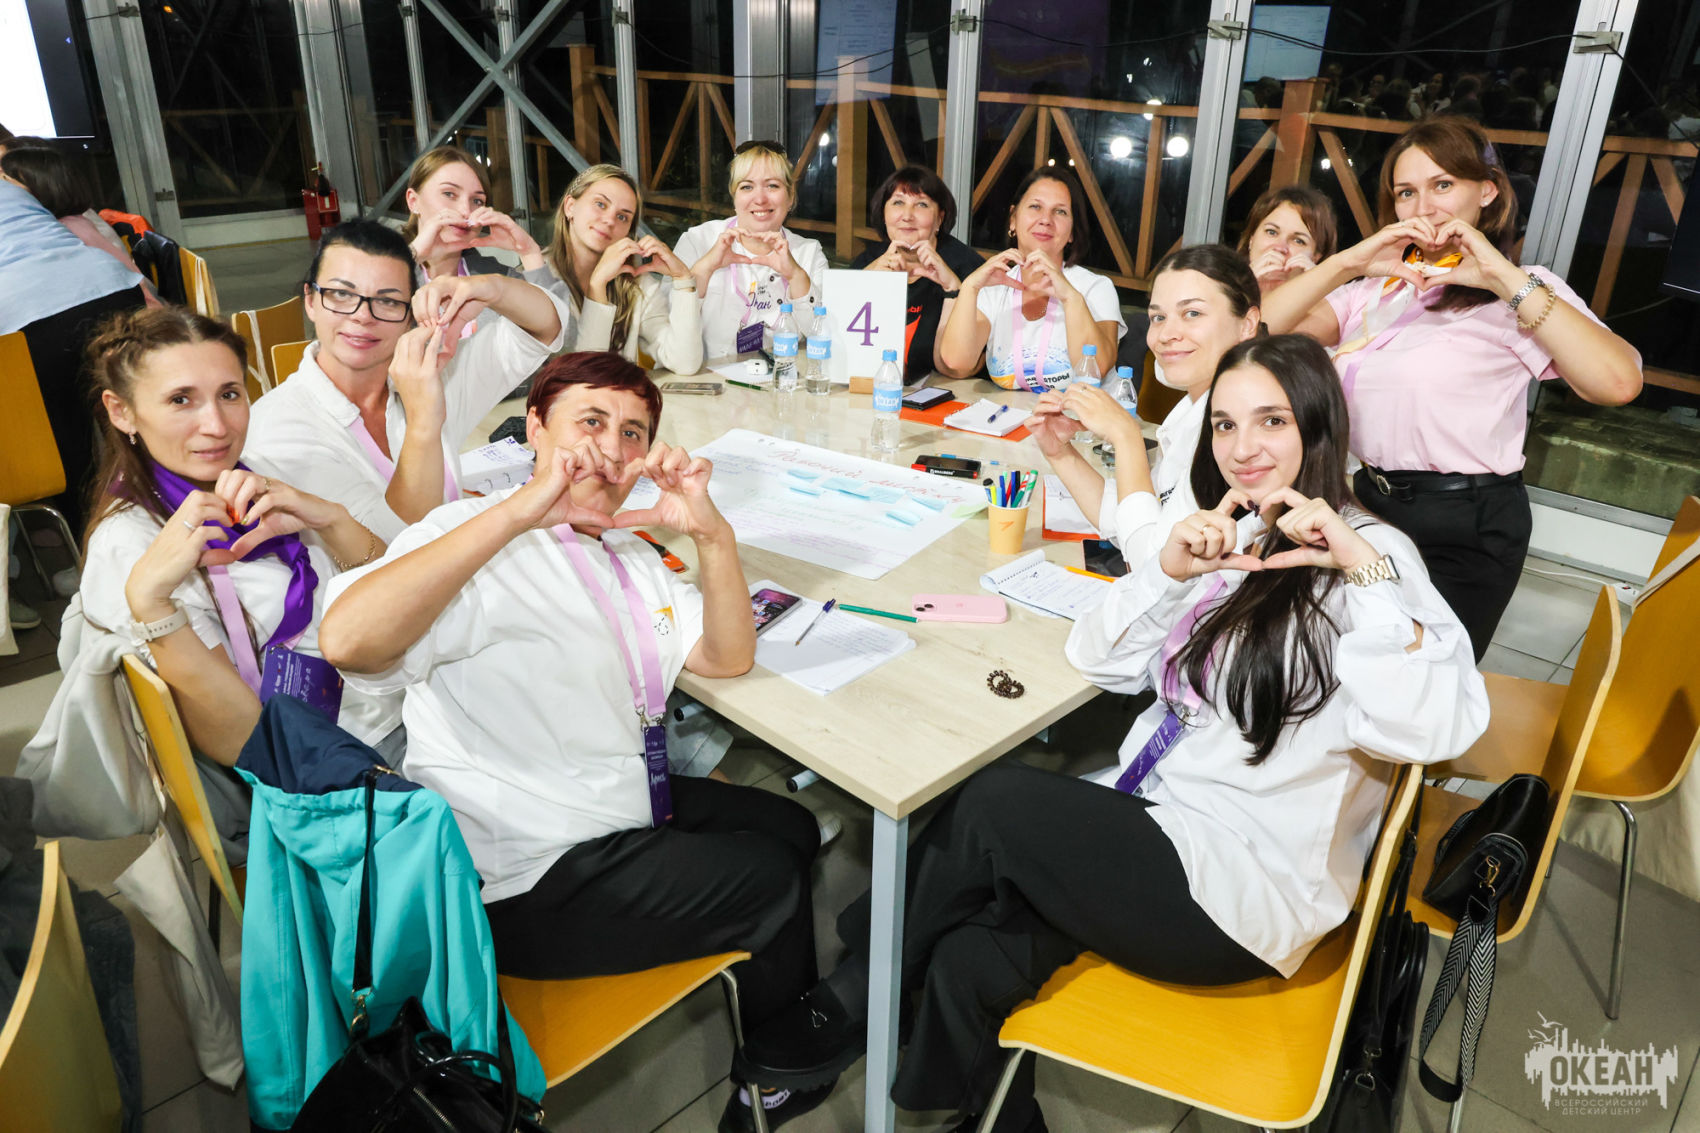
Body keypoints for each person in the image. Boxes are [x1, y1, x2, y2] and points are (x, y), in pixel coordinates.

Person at [737, 334, 1489, 1132]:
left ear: (1318, 424)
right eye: (1225, 425)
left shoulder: (1374, 556)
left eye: (1271, 421)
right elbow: (1095, 659)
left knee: (991, 804)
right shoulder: (1235, 529)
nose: (1243, 447)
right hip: (1156, 822)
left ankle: (855, 992)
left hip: (1242, 882)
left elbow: (1433, 724)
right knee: (966, 956)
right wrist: (1167, 572)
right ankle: (985, 1117)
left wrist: (1359, 568)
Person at [317, 352, 831, 1132]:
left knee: (790, 826)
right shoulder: (467, 537)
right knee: (771, 880)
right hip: (525, 874)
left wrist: (713, 536)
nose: (609, 448)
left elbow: (725, 655)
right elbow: (348, 641)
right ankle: (779, 1079)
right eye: (590, 421)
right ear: (534, 427)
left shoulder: (624, 550)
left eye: (633, 433)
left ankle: (775, 1000)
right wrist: (521, 511)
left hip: (607, 806)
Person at [1262, 116, 1643, 657]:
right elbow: (1261, 331)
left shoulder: (1523, 291)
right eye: (1406, 193)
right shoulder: (1379, 288)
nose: (1424, 207)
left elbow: (1618, 382)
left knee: (1424, 676)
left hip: (1464, 527)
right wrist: (1350, 263)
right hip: (1367, 504)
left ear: (1486, 191)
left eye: (1442, 185)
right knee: (1347, 660)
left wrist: (1502, 278)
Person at [77, 308, 400, 857]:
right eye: (181, 400)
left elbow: (395, 603)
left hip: (384, 698)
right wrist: (152, 603)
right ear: (122, 411)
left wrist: (332, 520)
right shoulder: (133, 546)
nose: (217, 425)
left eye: (229, 394)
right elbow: (242, 741)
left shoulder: (255, 472)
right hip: (338, 766)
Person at [243, 218, 571, 542]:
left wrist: (488, 288)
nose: (362, 315)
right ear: (311, 301)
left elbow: (544, 329)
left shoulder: (427, 376)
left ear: (409, 316)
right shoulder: (276, 428)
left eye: (387, 300)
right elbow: (389, 547)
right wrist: (424, 420)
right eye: (341, 294)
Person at [1025, 245, 1262, 570]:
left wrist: (1126, 436)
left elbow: (1154, 566)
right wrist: (1061, 453)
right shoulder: (1193, 409)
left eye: (1192, 313)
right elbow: (1131, 522)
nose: (1166, 334)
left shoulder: (1240, 435)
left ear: (1247, 324)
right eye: (1158, 317)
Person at [0, 180, 147, 529]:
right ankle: (175, 509)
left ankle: (86, 537)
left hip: (28, 311)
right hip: (111, 285)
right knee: (140, 409)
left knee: (64, 435)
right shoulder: (8, 185)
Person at [937, 167, 1125, 391]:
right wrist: (970, 287)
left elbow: (1097, 369)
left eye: (1060, 212)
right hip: (1013, 412)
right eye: (1035, 207)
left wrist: (1070, 298)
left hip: (1085, 413)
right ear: (1013, 219)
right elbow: (957, 360)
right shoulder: (995, 289)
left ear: (1072, 232)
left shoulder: (1095, 288)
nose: (1045, 220)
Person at [672, 140, 830, 365]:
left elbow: (823, 335)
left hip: (783, 379)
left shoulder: (809, 253)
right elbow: (670, 325)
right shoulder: (697, 241)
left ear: (790, 197)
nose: (760, 199)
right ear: (734, 197)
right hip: (706, 378)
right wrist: (705, 268)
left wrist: (796, 275)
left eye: (772, 186)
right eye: (747, 187)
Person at [537, 163, 703, 373]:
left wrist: (683, 279)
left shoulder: (636, 283)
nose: (609, 220)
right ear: (570, 207)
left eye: (623, 216)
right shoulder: (537, 279)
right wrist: (597, 286)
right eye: (600, 204)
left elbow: (684, 363)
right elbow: (583, 375)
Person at [850, 164, 983, 387]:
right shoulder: (868, 261)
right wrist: (868, 281)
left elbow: (963, 366)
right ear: (883, 213)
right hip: (874, 388)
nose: (907, 216)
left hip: (947, 390)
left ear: (939, 219)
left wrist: (953, 289)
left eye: (921, 204)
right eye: (898, 203)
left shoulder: (967, 268)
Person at [0, 145, 161, 306]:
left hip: (137, 309)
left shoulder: (63, 231)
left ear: (39, 186)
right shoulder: (74, 221)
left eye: (6, 180)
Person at [401, 145, 546, 281]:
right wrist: (414, 255)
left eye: (477, 201)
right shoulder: (390, 263)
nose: (466, 211)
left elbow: (549, 300)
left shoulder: (495, 278)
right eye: (449, 194)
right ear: (413, 201)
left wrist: (529, 253)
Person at [1236, 184, 1336, 298]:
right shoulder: (1221, 288)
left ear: (1315, 257)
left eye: (1298, 241)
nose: (1280, 248)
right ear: (1251, 238)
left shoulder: (1332, 304)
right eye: (1271, 232)